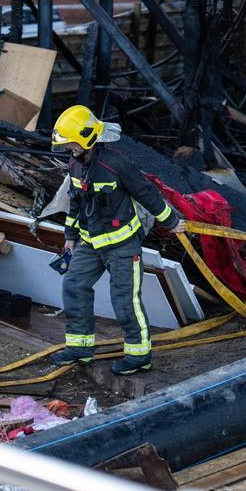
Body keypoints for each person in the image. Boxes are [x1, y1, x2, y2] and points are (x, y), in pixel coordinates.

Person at [50, 105, 184, 375]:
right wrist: (70, 237)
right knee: (74, 287)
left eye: (72, 143)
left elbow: (147, 193)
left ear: (87, 138)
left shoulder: (116, 164)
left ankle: (138, 356)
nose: (69, 149)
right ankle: (80, 349)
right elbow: (75, 202)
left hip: (123, 246)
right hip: (90, 244)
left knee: (124, 302)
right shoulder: (75, 166)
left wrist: (171, 221)